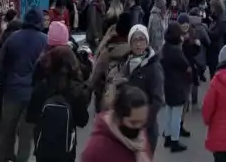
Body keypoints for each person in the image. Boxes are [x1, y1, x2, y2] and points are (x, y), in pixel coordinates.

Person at [0, 8, 49, 162]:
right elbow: (47, 69)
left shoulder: (12, 38)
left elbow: (0, 65)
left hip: (12, 91)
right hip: (32, 95)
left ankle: (3, 158)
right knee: (26, 136)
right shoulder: (44, 40)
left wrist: (3, 85)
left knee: (6, 131)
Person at [27, 46, 90, 162]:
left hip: (43, 148)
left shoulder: (41, 88)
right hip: (66, 150)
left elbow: (30, 116)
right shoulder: (76, 90)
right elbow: (83, 121)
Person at [117, 25, 164, 153]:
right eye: (135, 40)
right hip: (126, 129)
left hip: (145, 130)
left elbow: (158, 100)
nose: (138, 44)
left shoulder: (153, 67)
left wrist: (142, 122)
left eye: (141, 40)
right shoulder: (126, 64)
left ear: (147, 42)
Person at [81, 85, 152, 162]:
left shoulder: (140, 137)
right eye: (133, 123)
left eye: (143, 122)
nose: (140, 128)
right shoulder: (96, 150)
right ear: (118, 118)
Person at [160, 21, 190, 152]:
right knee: (177, 114)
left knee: (169, 111)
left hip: (167, 83)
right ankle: (174, 140)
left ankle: (167, 136)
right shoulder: (176, 50)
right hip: (177, 84)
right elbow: (185, 65)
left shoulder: (165, 47)